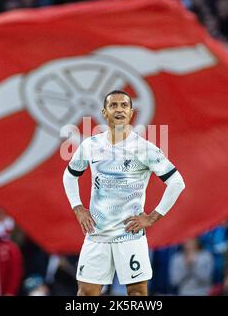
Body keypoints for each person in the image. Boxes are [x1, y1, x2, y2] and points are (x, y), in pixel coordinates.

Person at [63, 90, 186, 296]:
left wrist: (153, 217)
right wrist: (78, 208)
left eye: (124, 106)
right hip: (97, 234)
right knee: (85, 294)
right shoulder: (90, 145)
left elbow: (176, 182)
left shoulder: (144, 148)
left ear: (131, 113)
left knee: (137, 293)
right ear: (104, 112)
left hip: (129, 235)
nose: (119, 109)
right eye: (113, 105)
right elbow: (69, 176)